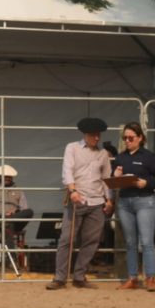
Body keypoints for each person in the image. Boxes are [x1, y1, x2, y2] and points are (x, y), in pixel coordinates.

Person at [46, 117, 114, 290]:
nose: (97, 138)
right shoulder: (72, 148)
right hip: (77, 199)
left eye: (98, 135)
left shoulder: (103, 154)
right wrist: (72, 190)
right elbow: (67, 169)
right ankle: (60, 277)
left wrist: (109, 200)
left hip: (97, 201)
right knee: (66, 239)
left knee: (92, 240)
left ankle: (79, 275)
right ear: (85, 135)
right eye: (93, 135)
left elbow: (107, 178)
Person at [112, 122, 155, 292]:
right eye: (125, 138)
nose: (127, 141)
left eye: (131, 138)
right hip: (125, 202)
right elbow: (113, 182)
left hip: (145, 201)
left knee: (147, 241)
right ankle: (133, 278)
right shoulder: (120, 157)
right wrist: (115, 176)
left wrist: (146, 182)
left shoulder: (148, 157)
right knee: (130, 242)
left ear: (140, 138)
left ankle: (150, 277)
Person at [0, 164, 34, 247]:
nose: (7, 178)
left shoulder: (19, 191)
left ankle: (7, 220)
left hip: (15, 220)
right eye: (5, 176)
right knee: (8, 226)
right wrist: (1, 213)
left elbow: (24, 209)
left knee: (29, 212)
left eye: (9, 177)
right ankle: (11, 257)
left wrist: (15, 212)